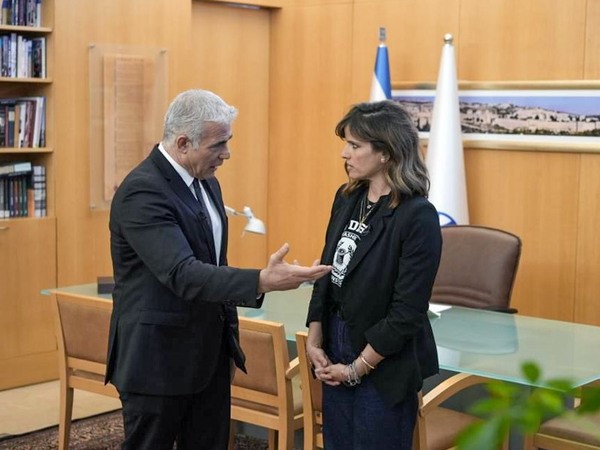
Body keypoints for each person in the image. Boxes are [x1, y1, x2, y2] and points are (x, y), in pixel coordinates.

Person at [105, 89, 331, 450]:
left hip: (208, 355)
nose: (227, 154)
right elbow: (182, 272)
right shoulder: (142, 192)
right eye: (218, 145)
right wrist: (261, 280)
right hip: (157, 361)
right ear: (183, 143)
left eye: (229, 141)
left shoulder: (206, 181)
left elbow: (212, 263)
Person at [305, 100, 442, 449]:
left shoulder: (417, 216)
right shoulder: (347, 197)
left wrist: (356, 369)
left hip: (383, 360)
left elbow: (406, 313)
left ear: (385, 153)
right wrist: (315, 336)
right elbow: (327, 271)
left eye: (354, 145)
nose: (343, 154)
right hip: (336, 342)